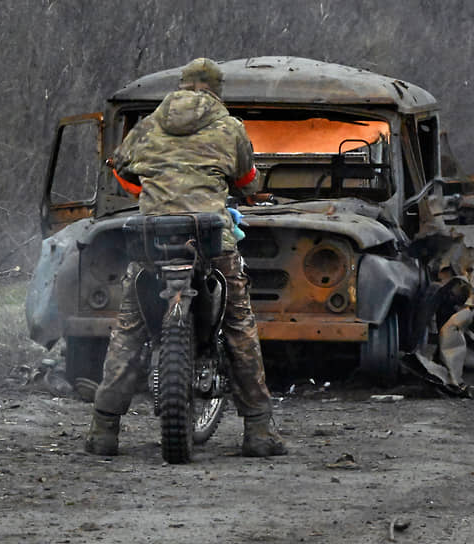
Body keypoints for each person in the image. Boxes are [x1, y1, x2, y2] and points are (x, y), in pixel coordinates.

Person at [85, 58, 287, 457]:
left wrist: (149, 191)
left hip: (153, 238)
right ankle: (259, 431)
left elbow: (122, 174)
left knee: (130, 328)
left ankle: (104, 429)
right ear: (216, 90)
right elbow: (247, 180)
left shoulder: (148, 125)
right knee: (239, 326)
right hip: (208, 237)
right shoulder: (230, 128)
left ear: (180, 87)